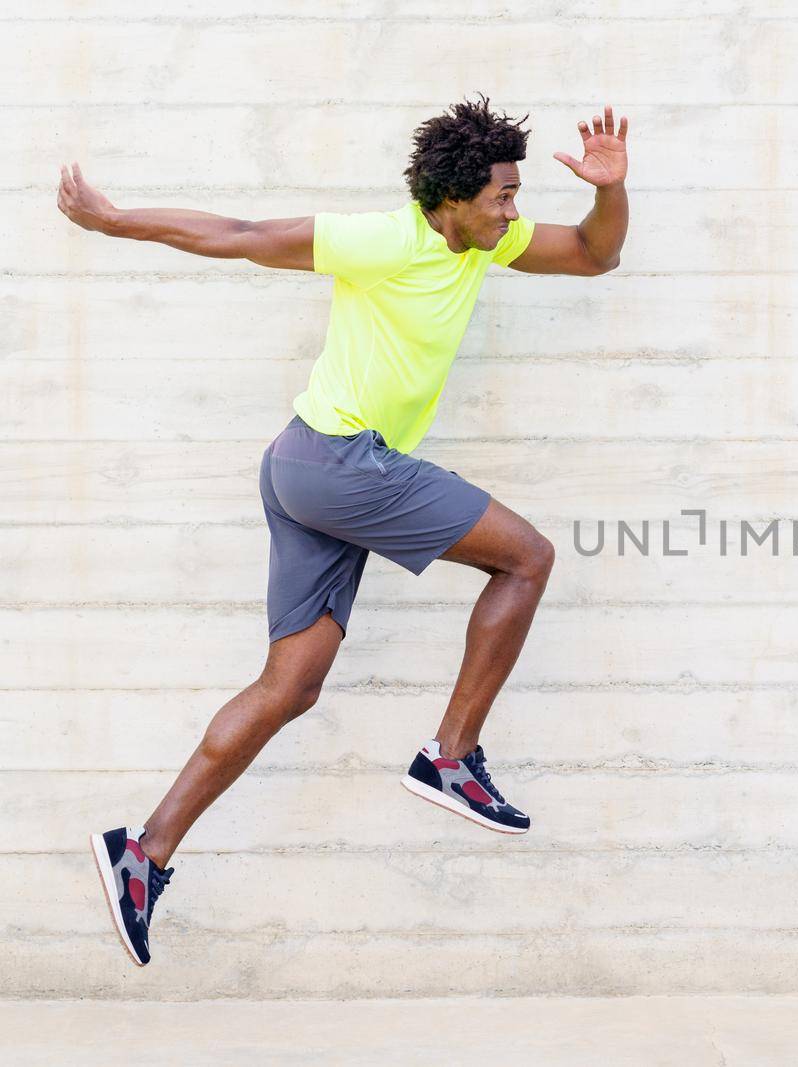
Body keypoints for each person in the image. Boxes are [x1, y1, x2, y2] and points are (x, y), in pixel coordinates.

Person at [55, 95, 630, 967]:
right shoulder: (383, 240)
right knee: (528, 557)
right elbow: (243, 233)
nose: (514, 211)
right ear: (451, 196)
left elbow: (595, 254)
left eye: (515, 196)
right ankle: (452, 756)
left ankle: (144, 853)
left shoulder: (485, 240)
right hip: (336, 465)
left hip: (302, 468)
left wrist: (611, 189)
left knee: (291, 686)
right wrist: (116, 221)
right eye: (502, 197)